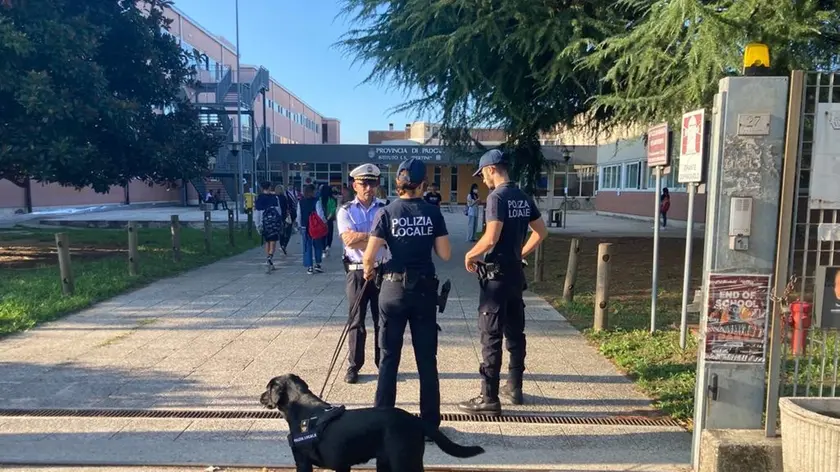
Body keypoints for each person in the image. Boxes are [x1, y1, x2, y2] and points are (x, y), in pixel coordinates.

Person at [363, 158, 451, 434]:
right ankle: (429, 425)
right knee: (427, 359)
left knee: (389, 357)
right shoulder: (433, 212)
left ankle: (382, 423)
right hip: (424, 292)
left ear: (398, 183)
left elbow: (369, 256)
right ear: (423, 184)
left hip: (392, 290)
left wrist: (368, 272)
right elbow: (445, 254)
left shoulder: (386, 212)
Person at [459, 149, 548, 416]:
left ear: (491, 169)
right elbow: (541, 231)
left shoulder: (497, 197)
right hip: (515, 276)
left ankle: (489, 397)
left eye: (482, 173)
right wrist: (519, 253)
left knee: (491, 335)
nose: (483, 179)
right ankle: (515, 387)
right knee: (515, 333)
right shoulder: (522, 196)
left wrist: (471, 253)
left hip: (495, 279)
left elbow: (491, 237)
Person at [337, 164, 390, 384]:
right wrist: (378, 237)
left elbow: (392, 237)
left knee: (383, 321)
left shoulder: (386, 208)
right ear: (354, 185)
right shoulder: (346, 210)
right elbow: (348, 240)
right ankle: (353, 366)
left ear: (378, 184)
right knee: (356, 321)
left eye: (373, 183)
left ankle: (383, 365)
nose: (368, 188)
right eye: (363, 183)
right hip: (357, 271)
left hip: (382, 271)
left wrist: (364, 237)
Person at [254, 181, 287, 272]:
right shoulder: (274, 198)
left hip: (264, 223)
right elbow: (279, 211)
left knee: (267, 241)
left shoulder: (259, 198)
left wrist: (258, 225)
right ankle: (270, 258)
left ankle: (268, 258)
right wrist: (280, 222)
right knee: (273, 242)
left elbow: (257, 213)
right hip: (273, 223)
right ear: (269, 187)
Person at [296, 184, 326, 274]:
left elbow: (299, 215)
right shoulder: (316, 201)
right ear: (312, 191)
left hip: (305, 226)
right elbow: (320, 214)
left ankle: (309, 266)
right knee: (317, 246)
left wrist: (299, 225)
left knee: (307, 246)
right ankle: (318, 264)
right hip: (315, 227)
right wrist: (324, 223)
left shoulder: (300, 202)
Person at [320, 184, 338, 256]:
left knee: (322, 233)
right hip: (329, 219)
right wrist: (329, 217)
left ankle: (323, 247)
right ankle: (328, 245)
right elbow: (333, 209)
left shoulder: (320, 199)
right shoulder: (332, 199)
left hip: (321, 219)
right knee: (329, 232)